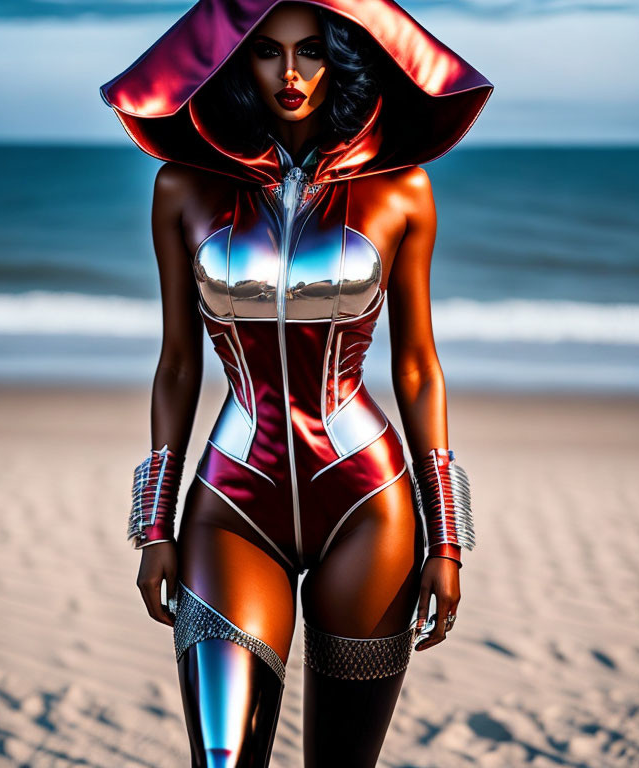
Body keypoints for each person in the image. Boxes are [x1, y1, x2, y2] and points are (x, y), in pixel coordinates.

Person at [100, 1, 492, 765]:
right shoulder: (181, 188)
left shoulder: (403, 190)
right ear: (235, 60)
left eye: (310, 51)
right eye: (267, 53)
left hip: (368, 508)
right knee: (222, 758)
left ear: (339, 59)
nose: (289, 74)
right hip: (230, 506)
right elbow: (178, 362)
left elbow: (416, 366)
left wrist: (447, 535)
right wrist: (154, 527)